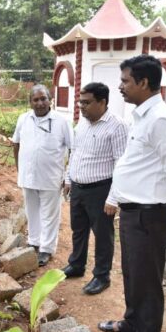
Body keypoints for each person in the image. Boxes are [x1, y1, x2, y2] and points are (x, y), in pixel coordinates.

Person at [98, 55, 166, 332]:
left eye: (125, 81)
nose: (120, 86)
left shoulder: (161, 120)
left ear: (143, 82)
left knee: (147, 281)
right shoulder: (141, 116)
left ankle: (146, 331)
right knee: (133, 274)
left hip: (149, 215)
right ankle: (132, 323)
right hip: (134, 213)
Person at [62, 82, 128, 295]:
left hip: (100, 190)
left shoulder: (117, 126)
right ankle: (76, 265)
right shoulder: (82, 123)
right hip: (79, 188)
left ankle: (102, 276)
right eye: (80, 102)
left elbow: (121, 163)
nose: (82, 106)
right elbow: (75, 153)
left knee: (102, 235)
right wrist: (68, 179)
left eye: (87, 102)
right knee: (78, 229)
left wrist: (113, 198)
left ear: (102, 102)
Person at [12, 84, 72, 266]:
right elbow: (16, 143)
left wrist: (68, 177)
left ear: (50, 100)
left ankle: (46, 249)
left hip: (51, 177)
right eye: (36, 100)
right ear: (30, 102)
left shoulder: (61, 121)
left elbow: (73, 149)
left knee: (50, 214)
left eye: (43, 98)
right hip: (28, 176)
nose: (40, 103)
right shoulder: (23, 119)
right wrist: (19, 168)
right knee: (31, 211)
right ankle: (34, 242)